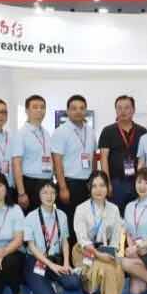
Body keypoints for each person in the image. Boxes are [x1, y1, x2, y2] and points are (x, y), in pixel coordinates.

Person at [22, 181, 80, 294]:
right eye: (45, 193)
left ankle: (49, 280)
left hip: (55, 259)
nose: (49, 196)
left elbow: (65, 241)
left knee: (74, 283)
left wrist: (66, 263)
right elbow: (31, 247)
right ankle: (37, 282)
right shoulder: (30, 217)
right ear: (39, 195)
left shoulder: (62, 215)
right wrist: (51, 265)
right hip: (37, 260)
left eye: (52, 192)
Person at [72, 171, 125, 294]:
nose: (98, 190)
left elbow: (116, 238)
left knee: (115, 267)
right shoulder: (81, 209)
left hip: (105, 250)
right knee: (105, 268)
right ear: (89, 188)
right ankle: (92, 287)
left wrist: (111, 253)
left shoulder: (114, 209)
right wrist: (99, 255)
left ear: (108, 187)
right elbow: (82, 239)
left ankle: (105, 292)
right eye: (94, 186)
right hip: (84, 251)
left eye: (102, 185)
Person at [53, 95, 97, 234]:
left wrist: (95, 182)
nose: (78, 111)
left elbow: (93, 157)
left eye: (82, 108)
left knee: (86, 223)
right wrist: (62, 188)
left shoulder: (90, 131)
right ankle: (70, 249)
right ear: (68, 111)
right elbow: (57, 161)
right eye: (74, 108)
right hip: (69, 184)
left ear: (85, 110)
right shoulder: (61, 131)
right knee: (70, 224)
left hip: (88, 184)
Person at [99, 95, 147, 209]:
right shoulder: (107, 131)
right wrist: (107, 183)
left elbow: (144, 158)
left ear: (133, 110)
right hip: (116, 182)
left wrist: (144, 182)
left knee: (136, 212)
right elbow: (103, 158)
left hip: (137, 182)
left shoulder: (142, 131)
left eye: (127, 107)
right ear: (115, 110)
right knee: (116, 214)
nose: (123, 111)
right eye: (119, 108)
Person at [12, 95, 53, 211]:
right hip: (29, 184)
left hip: (46, 182)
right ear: (27, 110)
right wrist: (21, 193)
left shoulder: (46, 133)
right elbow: (16, 164)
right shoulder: (21, 134)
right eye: (35, 107)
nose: (39, 110)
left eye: (42, 107)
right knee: (30, 219)